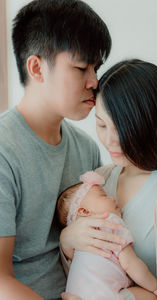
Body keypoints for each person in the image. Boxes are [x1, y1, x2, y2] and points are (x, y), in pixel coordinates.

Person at [0, 1, 129, 299]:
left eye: (96, 68)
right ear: (37, 68)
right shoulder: (5, 150)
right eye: (82, 67)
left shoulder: (85, 150)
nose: (95, 82)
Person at [60, 59, 157, 300]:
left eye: (123, 129)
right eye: (102, 125)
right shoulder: (99, 181)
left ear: (151, 125)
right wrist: (66, 241)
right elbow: (83, 278)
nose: (111, 141)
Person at [57, 171, 157, 300]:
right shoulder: (109, 223)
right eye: (103, 196)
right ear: (84, 211)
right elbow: (130, 263)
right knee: (149, 296)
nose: (112, 198)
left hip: (76, 295)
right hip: (103, 296)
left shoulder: (77, 245)